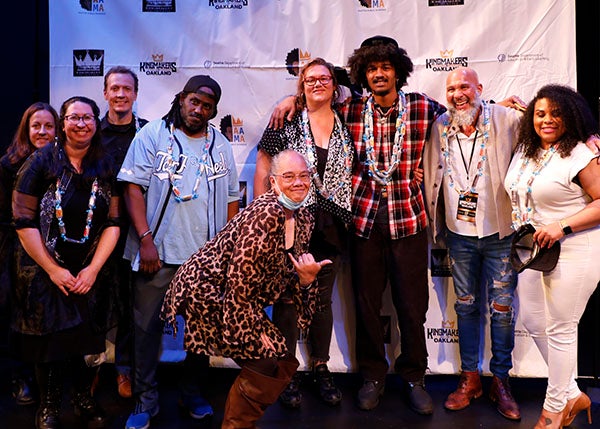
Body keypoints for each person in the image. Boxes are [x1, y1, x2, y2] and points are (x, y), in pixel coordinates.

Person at [161, 149, 333, 428]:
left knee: (278, 360)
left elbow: (290, 277)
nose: (298, 182)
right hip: (205, 289)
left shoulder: (303, 218)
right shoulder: (265, 215)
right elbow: (239, 281)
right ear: (273, 182)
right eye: (288, 176)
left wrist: (305, 280)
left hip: (233, 294)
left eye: (304, 175)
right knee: (266, 359)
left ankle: (227, 415)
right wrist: (255, 328)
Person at [117, 74, 239, 429]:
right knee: (146, 331)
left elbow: (232, 196)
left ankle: (192, 393)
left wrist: (223, 248)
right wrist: (145, 238)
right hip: (157, 253)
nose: (198, 110)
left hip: (203, 258)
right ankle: (144, 402)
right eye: (194, 102)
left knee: (200, 331)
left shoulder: (220, 144)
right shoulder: (152, 134)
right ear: (181, 99)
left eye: (207, 106)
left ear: (213, 110)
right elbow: (133, 189)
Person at [11, 96, 121, 429]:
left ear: (96, 123)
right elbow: (23, 221)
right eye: (74, 118)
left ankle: (82, 398)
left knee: (86, 340)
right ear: (63, 122)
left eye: (88, 118)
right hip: (44, 268)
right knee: (52, 342)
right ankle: (49, 405)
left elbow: (114, 222)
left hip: (89, 269)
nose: (82, 124)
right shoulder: (41, 162)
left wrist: (92, 270)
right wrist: (54, 269)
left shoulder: (106, 164)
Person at [254, 58, 353, 408]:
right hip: (291, 218)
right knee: (286, 298)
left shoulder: (349, 118)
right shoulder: (288, 117)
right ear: (300, 87)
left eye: (324, 78)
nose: (317, 84)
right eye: (309, 79)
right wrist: (265, 209)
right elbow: (265, 160)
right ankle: (286, 370)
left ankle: (321, 366)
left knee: (322, 300)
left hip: (333, 224)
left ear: (335, 84)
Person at [424, 67, 522, 420]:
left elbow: (549, 129)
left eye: (464, 86)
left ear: (480, 88)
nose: (457, 93)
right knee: (464, 307)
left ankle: (500, 380)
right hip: (458, 234)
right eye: (451, 89)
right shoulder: (438, 126)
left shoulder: (507, 119)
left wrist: (588, 137)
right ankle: (470, 378)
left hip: (499, 233)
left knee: (501, 309)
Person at [503, 84, 600, 429]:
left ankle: (554, 410)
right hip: (534, 250)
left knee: (561, 327)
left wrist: (563, 225)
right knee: (532, 321)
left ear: (570, 116)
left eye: (556, 113)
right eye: (540, 113)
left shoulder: (581, 154)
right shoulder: (526, 150)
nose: (547, 120)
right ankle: (572, 392)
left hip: (576, 247)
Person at [0, 102, 59, 407]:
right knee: (17, 315)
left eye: (49, 126)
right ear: (26, 129)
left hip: (53, 251)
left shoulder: (63, 164)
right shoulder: (9, 164)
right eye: (36, 126)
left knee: (45, 318)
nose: (43, 132)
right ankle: (19, 376)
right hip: (14, 251)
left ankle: (48, 381)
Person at [100, 65, 148, 399]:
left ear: (135, 93)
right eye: (114, 88)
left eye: (126, 89)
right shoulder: (89, 131)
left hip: (135, 233)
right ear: (105, 93)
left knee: (133, 306)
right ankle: (87, 370)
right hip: (95, 234)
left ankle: (124, 370)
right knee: (95, 303)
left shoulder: (148, 133)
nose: (120, 94)